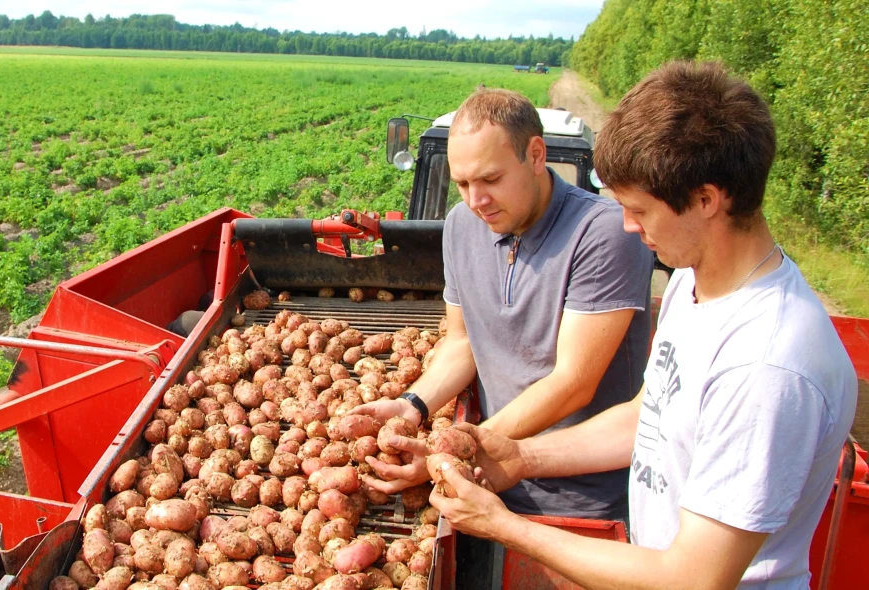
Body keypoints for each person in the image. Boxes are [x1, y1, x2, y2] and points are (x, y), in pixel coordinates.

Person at [428, 60, 858, 589]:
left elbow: (692, 579)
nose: (628, 226)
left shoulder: (766, 365)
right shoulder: (692, 283)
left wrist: (506, 526)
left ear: (706, 200)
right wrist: (520, 456)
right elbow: (646, 418)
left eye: (640, 210)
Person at [351, 87, 653, 521]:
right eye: (462, 184)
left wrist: (449, 452)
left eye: (490, 180)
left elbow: (573, 381)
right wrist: (413, 405)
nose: (476, 201)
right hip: (486, 480)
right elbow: (462, 341)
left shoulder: (601, 232)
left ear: (534, 155)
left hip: (581, 502)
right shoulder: (460, 225)